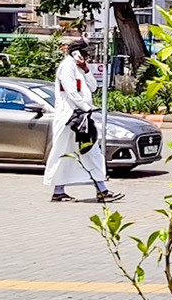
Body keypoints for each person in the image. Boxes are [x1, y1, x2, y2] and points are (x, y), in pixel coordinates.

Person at [44, 39, 120, 204]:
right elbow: (71, 92)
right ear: (75, 52)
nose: (87, 56)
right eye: (85, 53)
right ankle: (59, 191)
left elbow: (93, 87)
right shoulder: (67, 66)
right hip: (69, 118)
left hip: (82, 117)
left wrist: (86, 70)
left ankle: (101, 189)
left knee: (91, 151)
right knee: (64, 152)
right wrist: (87, 107)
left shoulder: (80, 68)